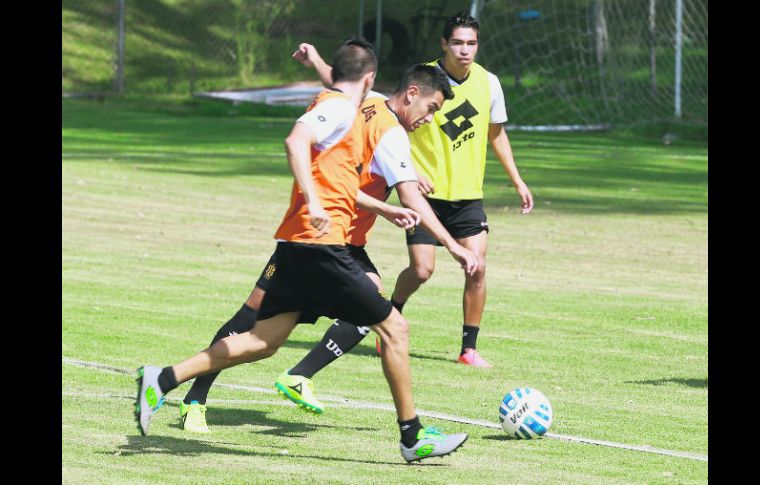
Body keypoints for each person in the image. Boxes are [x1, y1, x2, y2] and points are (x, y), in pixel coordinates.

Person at [134, 36, 469, 463]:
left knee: (263, 340)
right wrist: (453, 244)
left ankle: (162, 380)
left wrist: (316, 62)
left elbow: (342, 107)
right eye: (432, 109)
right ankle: (412, 436)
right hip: (322, 245)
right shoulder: (362, 115)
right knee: (393, 328)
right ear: (408, 92)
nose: (430, 118)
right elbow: (308, 142)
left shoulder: (356, 104)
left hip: (304, 243)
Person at [389, 12, 534, 368]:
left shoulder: (489, 83)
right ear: (444, 44)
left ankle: (468, 349)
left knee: (477, 268)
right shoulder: (422, 78)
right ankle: (390, 315)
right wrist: (411, 170)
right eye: (457, 42)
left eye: (471, 43)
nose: (464, 50)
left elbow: (496, 134)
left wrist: (517, 180)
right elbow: (395, 124)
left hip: (468, 196)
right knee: (422, 271)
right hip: (425, 196)